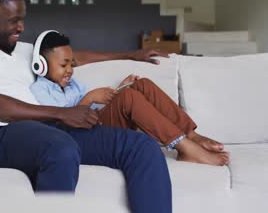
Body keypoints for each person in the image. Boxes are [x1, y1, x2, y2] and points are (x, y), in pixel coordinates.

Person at [0, 0, 172, 213]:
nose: (21, 27)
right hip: (3, 132)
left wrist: (131, 54)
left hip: (47, 127)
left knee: (142, 147)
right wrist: (62, 113)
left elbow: (73, 57)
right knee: (61, 149)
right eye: (13, 21)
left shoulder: (23, 49)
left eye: (23, 19)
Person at [29, 30, 230, 166]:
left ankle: (191, 136)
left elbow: (94, 111)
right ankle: (185, 148)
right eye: (64, 65)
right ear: (42, 65)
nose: (70, 70)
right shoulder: (40, 90)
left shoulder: (73, 84)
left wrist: (119, 89)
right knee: (129, 98)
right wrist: (90, 98)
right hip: (82, 137)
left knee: (141, 85)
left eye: (71, 65)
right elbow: (65, 125)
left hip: (94, 123)